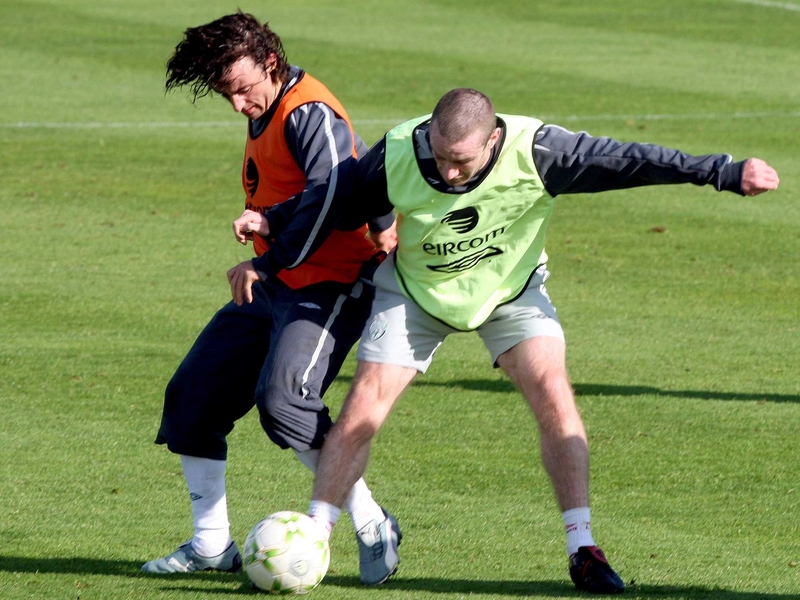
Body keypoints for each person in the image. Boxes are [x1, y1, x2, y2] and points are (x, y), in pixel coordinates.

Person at [304, 88, 780, 594]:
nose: (447, 173)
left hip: (511, 291)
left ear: (492, 140)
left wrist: (723, 173)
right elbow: (337, 198)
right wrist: (270, 230)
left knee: (553, 392)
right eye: (440, 157)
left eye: (460, 162)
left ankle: (583, 548)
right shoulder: (401, 149)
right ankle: (313, 538)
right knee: (360, 412)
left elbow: (631, 161)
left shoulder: (540, 152)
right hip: (418, 293)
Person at [142, 13, 401, 585]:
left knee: (285, 404)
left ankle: (371, 521)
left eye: (241, 88)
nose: (237, 104)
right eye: (224, 94)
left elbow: (332, 197)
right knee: (193, 399)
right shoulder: (271, 107)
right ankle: (211, 547)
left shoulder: (308, 110)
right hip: (278, 283)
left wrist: (265, 257)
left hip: (330, 283)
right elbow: (360, 173)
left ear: (271, 63)